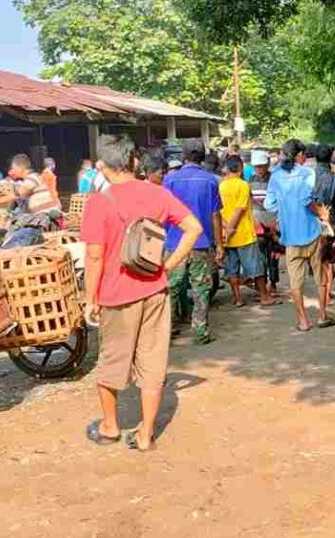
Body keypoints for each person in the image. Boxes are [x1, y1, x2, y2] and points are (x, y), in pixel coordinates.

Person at [81, 134, 200, 453]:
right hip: (155, 290)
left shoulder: (98, 202)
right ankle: (146, 433)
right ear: (133, 162)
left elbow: (94, 256)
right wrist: (169, 265)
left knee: (111, 361)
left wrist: (89, 299)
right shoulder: (157, 193)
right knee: (152, 363)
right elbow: (193, 229)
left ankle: (109, 427)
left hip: (116, 295)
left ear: (103, 167)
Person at [162, 139, 223, 345]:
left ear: (183, 156)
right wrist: (220, 244)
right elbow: (216, 215)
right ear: (203, 156)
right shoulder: (211, 181)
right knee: (201, 288)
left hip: (174, 244)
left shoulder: (169, 180)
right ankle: (200, 330)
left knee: (171, 288)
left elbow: (162, 214)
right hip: (201, 243)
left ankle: (167, 330)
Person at [265, 139, 329, 331]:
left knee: (295, 281)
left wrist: (285, 210)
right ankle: (322, 316)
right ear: (300, 155)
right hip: (311, 232)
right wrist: (321, 213)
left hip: (290, 236)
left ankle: (302, 320)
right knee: (320, 276)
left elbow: (270, 205)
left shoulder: (275, 176)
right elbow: (306, 200)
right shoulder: (306, 173)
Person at [220, 155, 275, 307]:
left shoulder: (221, 186)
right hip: (243, 234)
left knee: (232, 268)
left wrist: (226, 229)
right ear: (240, 168)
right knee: (256, 267)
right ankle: (264, 296)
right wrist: (231, 228)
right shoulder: (243, 185)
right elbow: (239, 210)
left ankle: (237, 298)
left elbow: (218, 211)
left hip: (227, 236)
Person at [310, 143, 335, 327]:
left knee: (313, 265)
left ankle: (304, 315)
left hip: (309, 226)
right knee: (326, 266)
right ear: (331, 157)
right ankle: (322, 310)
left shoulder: (307, 177)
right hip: (329, 226)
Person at [0, 153, 61, 217]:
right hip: (41, 215)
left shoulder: (32, 178)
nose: (12, 171)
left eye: (13, 168)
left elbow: (15, 195)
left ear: (20, 168)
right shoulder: (29, 179)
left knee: (17, 236)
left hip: (46, 217)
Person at [249, 149, 282, 297]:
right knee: (259, 256)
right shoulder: (249, 180)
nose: (259, 170)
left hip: (273, 221)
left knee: (273, 255)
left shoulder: (275, 180)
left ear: (267, 164)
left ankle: (273, 283)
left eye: (261, 166)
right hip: (257, 222)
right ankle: (261, 284)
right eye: (257, 167)